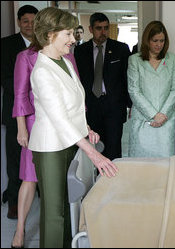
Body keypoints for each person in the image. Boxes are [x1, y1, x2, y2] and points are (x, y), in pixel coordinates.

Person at [28, 7, 118, 247]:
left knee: (70, 208)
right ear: (50, 35)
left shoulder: (65, 61)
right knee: (54, 212)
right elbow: (58, 118)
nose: (73, 38)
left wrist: (86, 127)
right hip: (51, 147)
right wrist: (93, 153)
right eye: (67, 34)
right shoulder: (42, 71)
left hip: (70, 141)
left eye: (73, 33)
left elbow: (74, 105)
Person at [11, 45, 80, 248]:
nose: (70, 38)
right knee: (30, 178)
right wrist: (22, 128)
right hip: (36, 124)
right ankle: (20, 231)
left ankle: (67, 235)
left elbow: (77, 91)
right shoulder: (25, 57)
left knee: (63, 183)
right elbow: (20, 94)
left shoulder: (68, 56)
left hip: (66, 126)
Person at [74, 12, 132, 160]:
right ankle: (96, 181)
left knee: (113, 149)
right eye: (99, 28)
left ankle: (113, 181)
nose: (103, 32)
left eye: (106, 28)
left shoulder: (121, 49)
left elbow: (127, 78)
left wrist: (130, 105)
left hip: (114, 107)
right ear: (91, 29)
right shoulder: (80, 51)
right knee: (94, 149)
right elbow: (77, 80)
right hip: (91, 107)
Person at [1, 4, 39, 220]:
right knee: (16, 157)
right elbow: (6, 79)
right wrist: (27, 91)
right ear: (18, 22)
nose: (30, 26)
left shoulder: (44, 44)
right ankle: (14, 202)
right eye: (26, 21)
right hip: (16, 112)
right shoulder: (6, 45)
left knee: (40, 153)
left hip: (41, 113)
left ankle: (40, 191)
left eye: (34, 21)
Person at [127, 21, 175, 157]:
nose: (159, 44)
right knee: (140, 165)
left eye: (162, 41)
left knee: (164, 166)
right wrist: (153, 115)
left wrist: (162, 115)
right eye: (155, 40)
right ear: (147, 40)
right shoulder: (135, 60)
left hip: (165, 120)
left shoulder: (172, 59)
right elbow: (134, 90)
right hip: (143, 121)